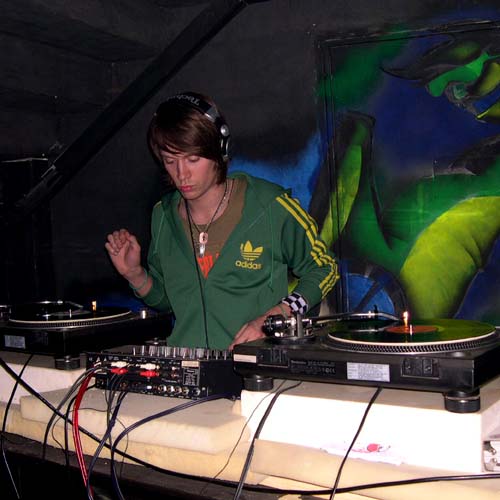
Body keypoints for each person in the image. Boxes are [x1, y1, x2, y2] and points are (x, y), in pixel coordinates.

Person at [105, 91, 338, 350]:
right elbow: (169, 301)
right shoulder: (162, 216)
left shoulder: (269, 206)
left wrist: (277, 315)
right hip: (188, 364)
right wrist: (135, 274)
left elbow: (325, 269)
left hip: (256, 365)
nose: (181, 173)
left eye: (193, 159)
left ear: (220, 150)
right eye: (170, 161)